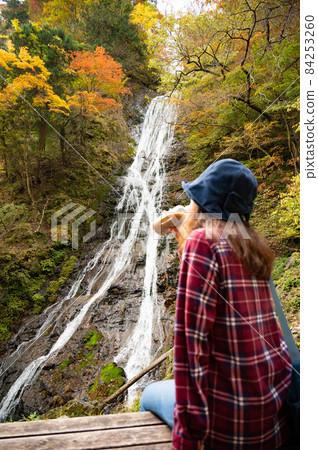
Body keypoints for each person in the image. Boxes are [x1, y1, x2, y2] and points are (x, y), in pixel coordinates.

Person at [140, 159, 293, 449]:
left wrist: (187, 438)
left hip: (231, 424)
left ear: (202, 202)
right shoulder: (251, 245)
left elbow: (190, 347)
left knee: (149, 394)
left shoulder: (203, 242)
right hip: (269, 414)